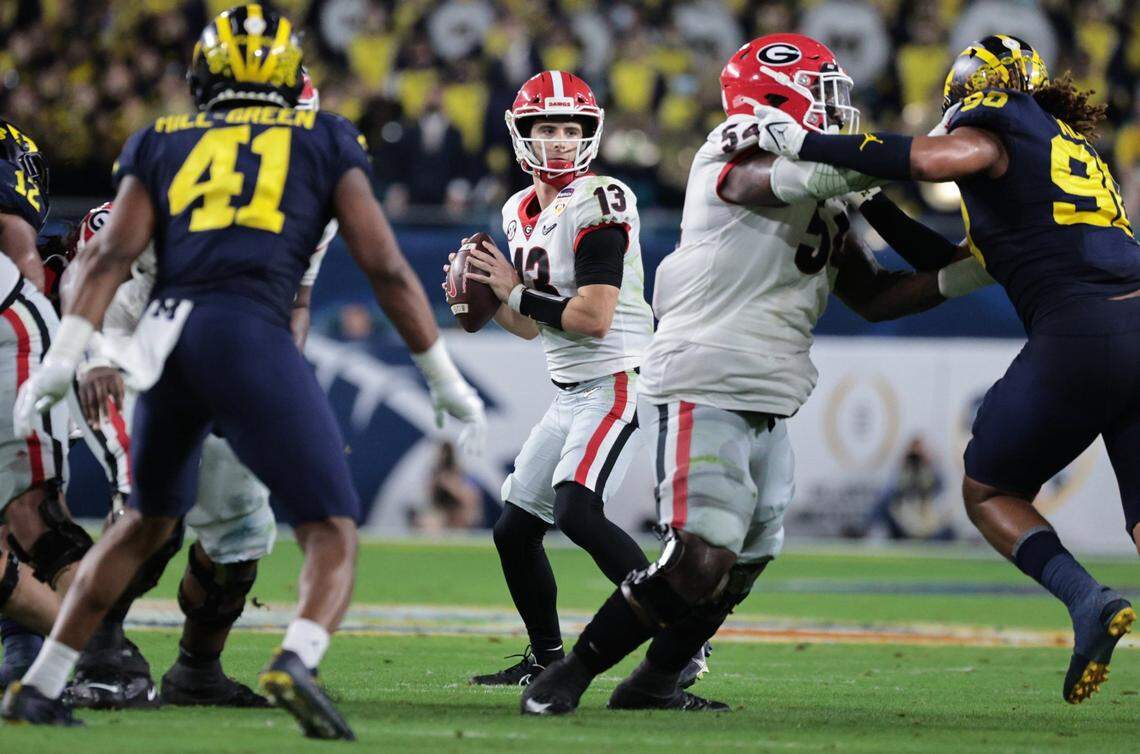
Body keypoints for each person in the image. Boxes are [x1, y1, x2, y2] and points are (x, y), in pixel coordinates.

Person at [1, 4, 485, 738]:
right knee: (330, 526)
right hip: (219, 336)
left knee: (155, 526)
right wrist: (442, 376)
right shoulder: (319, 140)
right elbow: (385, 267)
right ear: (291, 88)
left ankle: (48, 682)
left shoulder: (163, 140)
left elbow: (107, 258)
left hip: (170, 341)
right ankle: (294, 657)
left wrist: (64, 356)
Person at [521, 33, 964, 715]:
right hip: (708, 371)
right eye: (821, 93)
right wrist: (893, 161)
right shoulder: (732, 146)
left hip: (770, 387)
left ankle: (654, 684)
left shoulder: (829, 184)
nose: (833, 109)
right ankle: (572, 673)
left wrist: (974, 267)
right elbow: (773, 180)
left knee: (742, 566)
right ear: (774, 97)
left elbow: (875, 296)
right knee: (701, 556)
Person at [754, 33, 1138, 704]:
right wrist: (865, 198)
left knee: (989, 491)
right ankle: (1092, 607)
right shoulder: (1053, 169)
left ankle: (1087, 602)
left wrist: (807, 144)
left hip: (1085, 327)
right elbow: (937, 273)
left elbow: (933, 159)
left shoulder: (994, 124)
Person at [62, 73, 333, 713]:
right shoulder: (170, 181)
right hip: (125, 354)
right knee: (153, 511)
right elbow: (89, 267)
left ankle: (196, 671)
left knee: (241, 531)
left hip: (223, 364)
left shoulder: (306, 209)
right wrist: (97, 351)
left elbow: (296, 300)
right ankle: (98, 652)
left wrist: (274, 376)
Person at [454, 70, 711, 694]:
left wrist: (513, 288)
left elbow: (593, 318)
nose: (561, 140)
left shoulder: (604, 198)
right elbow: (527, 326)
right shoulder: (519, 208)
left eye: (573, 127)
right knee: (514, 530)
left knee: (577, 512)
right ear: (522, 134)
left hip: (616, 377)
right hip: (569, 388)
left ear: (590, 135)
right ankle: (544, 656)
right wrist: (485, 296)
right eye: (548, 127)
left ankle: (687, 644)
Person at [0, 119, 85, 690]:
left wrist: (56, 363)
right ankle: (76, 646)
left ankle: (94, 652)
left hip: (7, 328)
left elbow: (16, 238)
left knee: (34, 515)